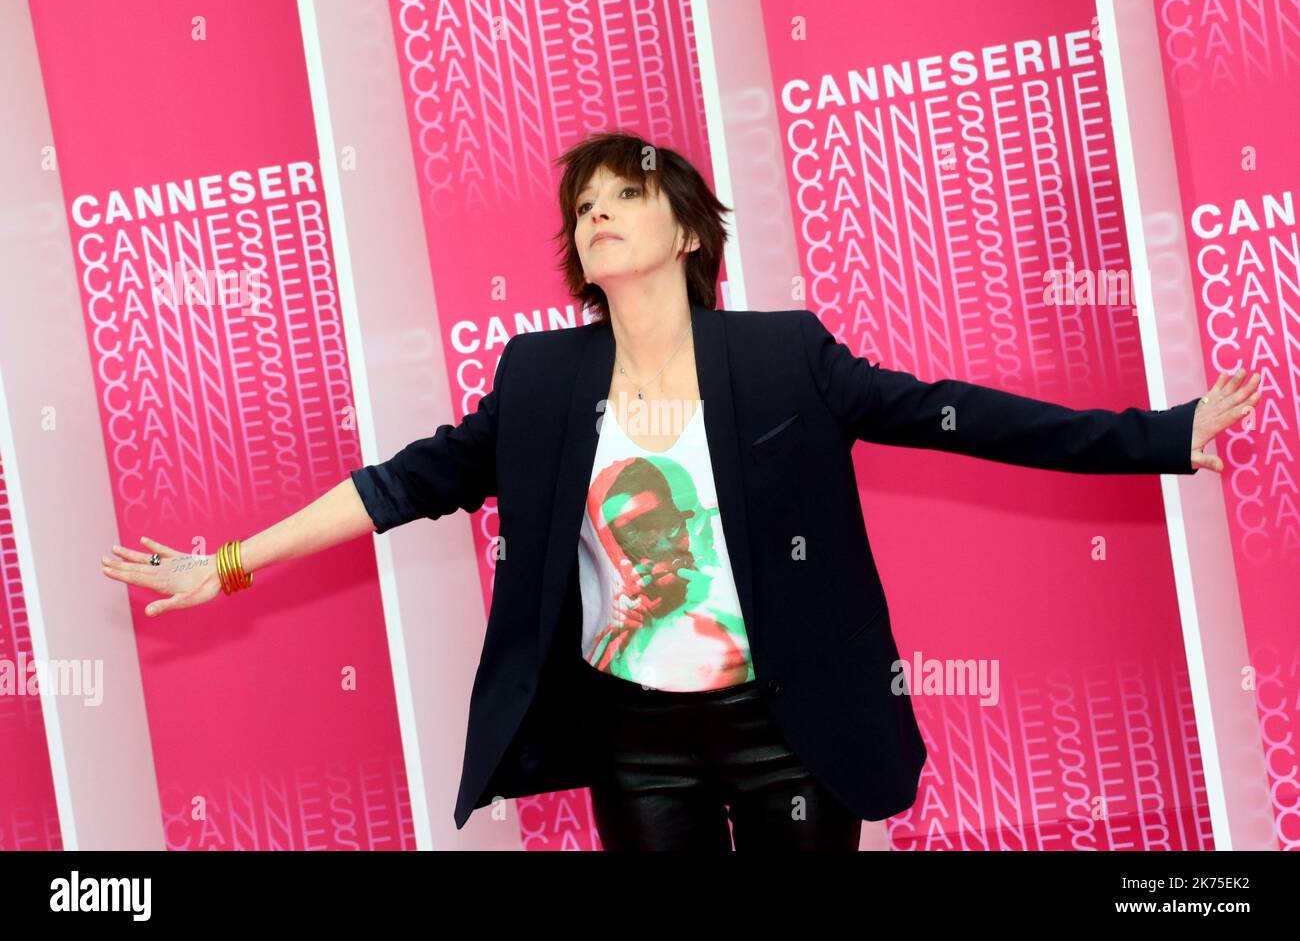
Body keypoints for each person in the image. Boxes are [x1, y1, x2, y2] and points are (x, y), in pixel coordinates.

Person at [100, 130, 1261, 851]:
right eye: (582, 204)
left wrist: (1161, 436)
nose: (596, 210)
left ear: (688, 227)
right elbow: (402, 483)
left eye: (623, 192)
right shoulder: (543, 378)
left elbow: (956, 414)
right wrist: (227, 563)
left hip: (787, 725)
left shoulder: (780, 355)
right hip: (634, 733)